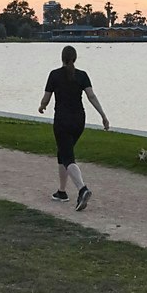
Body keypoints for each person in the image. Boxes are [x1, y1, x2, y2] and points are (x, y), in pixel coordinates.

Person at [38, 45, 108, 211]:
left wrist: (41, 106)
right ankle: (61, 192)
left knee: (68, 157)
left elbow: (46, 98)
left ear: (62, 57)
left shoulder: (54, 75)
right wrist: (103, 116)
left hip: (62, 120)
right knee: (63, 153)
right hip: (79, 121)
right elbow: (91, 96)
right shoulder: (82, 76)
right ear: (75, 58)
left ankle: (82, 189)